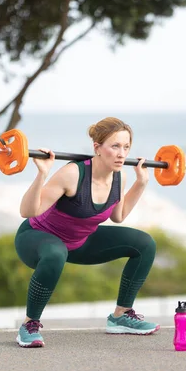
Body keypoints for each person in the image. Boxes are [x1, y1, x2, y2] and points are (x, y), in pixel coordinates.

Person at [13, 117, 159, 348]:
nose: (122, 154)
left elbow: (118, 216)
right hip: (35, 238)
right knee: (55, 252)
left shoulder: (118, 176)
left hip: (78, 243)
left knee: (144, 244)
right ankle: (29, 325)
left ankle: (121, 316)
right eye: (115, 146)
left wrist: (141, 183)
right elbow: (27, 211)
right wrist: (42, 174)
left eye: (126, 147)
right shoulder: (72, 174)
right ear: (97, 148)